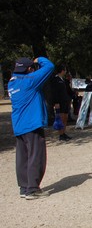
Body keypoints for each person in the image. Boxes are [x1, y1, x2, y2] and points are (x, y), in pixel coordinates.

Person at [8, 56, 55, 199]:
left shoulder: (12, 83)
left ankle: (24, 187)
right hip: (32, 124)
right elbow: (49, 66)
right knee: (36, 155)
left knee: (23, 157)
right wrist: (38, 59)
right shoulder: (30, 81)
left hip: (19, 125)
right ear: (29, 69)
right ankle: (33, 189)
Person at [51, 64, 72, 141]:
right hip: (60, 102)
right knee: (61, 118)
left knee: (65, 117)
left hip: (65, 101)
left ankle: (64, 132)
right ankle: (60, 134)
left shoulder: (63, 80)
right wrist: (56, 102)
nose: (65, 71)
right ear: (62, 70)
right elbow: (54, 92)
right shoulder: (55, 80)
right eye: (65, 70)